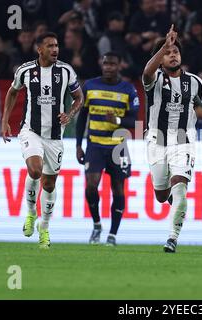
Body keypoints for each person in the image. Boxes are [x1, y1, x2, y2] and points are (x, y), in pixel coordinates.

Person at [0, 32, 84, 249]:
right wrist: (5, 121)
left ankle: (44, 228)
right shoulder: (26, 70)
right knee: (35, 171)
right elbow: (12, 92)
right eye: (50, 46)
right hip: (31, 131)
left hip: (55, 136)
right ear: (40, 49)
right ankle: (30, 213)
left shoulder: (66, 71)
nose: (55, 49)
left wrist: (70, 114)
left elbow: (79, 97)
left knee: (49, 184)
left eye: (57, 45)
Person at [142, 25, 202, 253]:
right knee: (161, 195)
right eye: (167, 52)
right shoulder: (154, 79)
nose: (172, 55)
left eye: (175, 51)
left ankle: (172, 238)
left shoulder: (194, 82)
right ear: (160, 59)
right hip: (156, 141)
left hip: (184, 140)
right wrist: (163, 45)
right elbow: (146, 72)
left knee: (180, 186)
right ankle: (177, 206)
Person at [75, 51, 140, 246]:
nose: (108, 67)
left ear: (119, 65)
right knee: (91, 186)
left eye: (112, 64)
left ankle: (112, 234)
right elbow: (82, 117)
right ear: (101, 65)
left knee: (118, 189)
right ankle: (96, 224)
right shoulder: (90, 86)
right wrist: (78, 144)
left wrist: (117, 120)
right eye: (106, 64)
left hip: (118, 146)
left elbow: (135, 120)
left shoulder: (128, 90)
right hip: (94, 144)